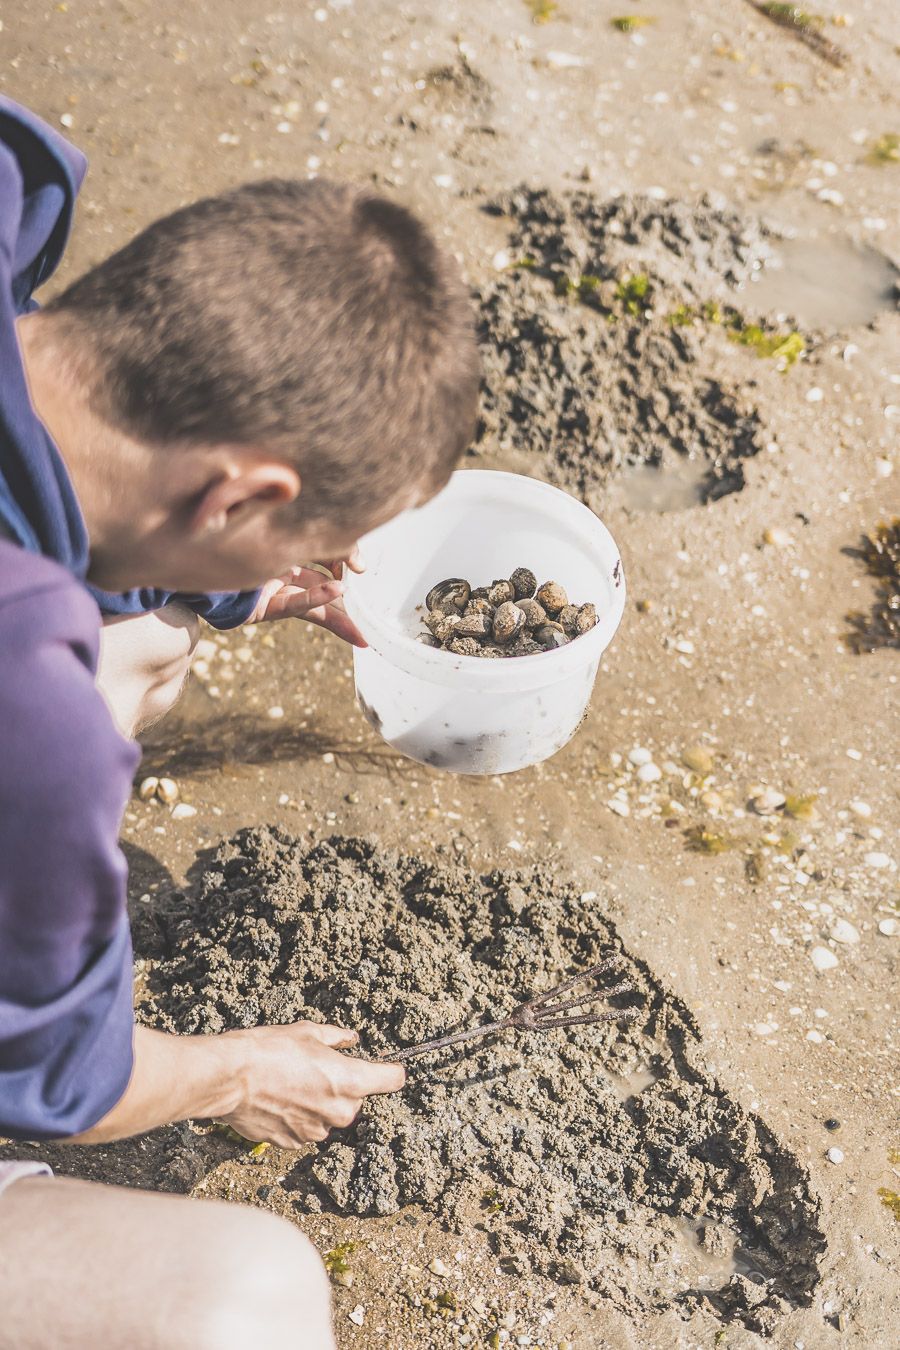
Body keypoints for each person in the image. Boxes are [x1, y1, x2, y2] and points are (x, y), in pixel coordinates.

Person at [0, 96, 480, 1349]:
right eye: (315, 538)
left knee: (147, 636)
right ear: (237, 492)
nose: (329, 564)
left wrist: (215, 577)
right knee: (245, 1300)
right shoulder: (25, 708)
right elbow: (64, 1085)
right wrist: (238, 1070)